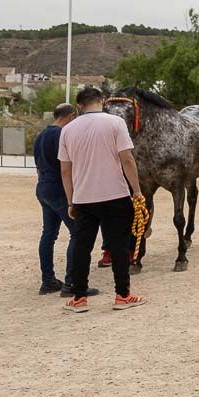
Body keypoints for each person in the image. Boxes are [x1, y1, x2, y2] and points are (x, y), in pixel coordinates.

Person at [59, 87, 148, 313]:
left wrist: (71, 201)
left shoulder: (68, 130)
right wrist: (136, 191)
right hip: (115, 195)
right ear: (102, 101)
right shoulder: (116, 123)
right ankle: (122, 295)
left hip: (83, 198)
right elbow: (127, 159)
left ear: (79, 105)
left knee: (82, 247)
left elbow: (65, 171)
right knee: (118, 247)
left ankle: (79, 298)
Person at [32, 103, 99, 298]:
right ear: (71, 116)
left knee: (48, 235)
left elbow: (37, 164)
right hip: (60, 189)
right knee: (78, 234)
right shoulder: (63, 135)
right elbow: (68, 167)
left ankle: (48, 281)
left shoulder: (41, 135)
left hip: (43, 186)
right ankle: (72, 283)